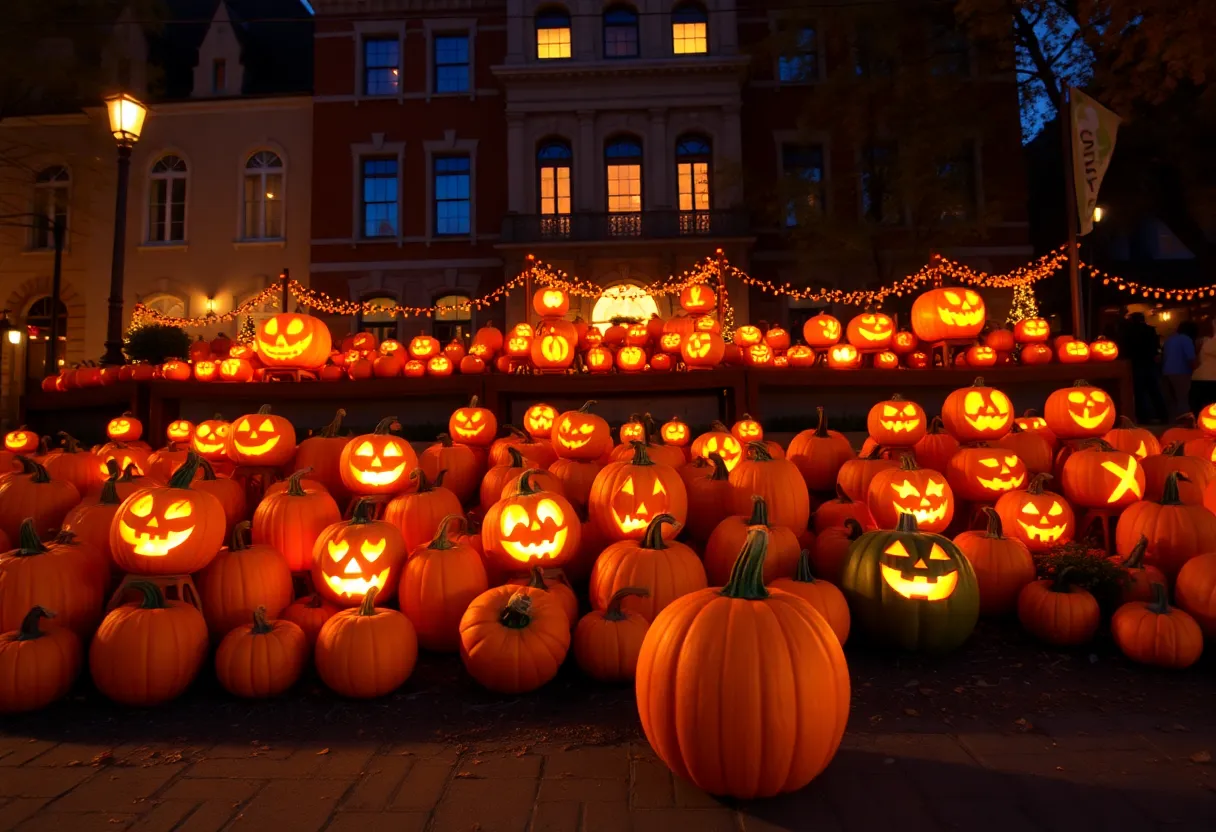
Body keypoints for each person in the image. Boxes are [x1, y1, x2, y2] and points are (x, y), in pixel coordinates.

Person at [1117, 312, 1167, 423]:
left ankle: (1143, 416)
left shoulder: (1128, 331)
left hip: (1135, 363)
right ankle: (1162, 415)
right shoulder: (1150, 330)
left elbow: (1125, 348)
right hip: (1149, 362)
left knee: (1139, 392)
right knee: (1155, 390)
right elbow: (1156, 347)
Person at [1162, 320, 1198, 419]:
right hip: (1182, 371)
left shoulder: (1170, 339)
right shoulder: (1186, 340)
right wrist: (1197, 369)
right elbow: (1191, 357)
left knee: (1172, 399)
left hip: (1167, 371)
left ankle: (1173, 419)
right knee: (1184, 397)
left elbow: (1164, 355)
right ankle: (1185, 419)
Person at [1190, 318, 1216, 416]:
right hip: (1211, 379)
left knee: (1200, 409)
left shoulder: (1205, 343)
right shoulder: (1209, 342)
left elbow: (1199, 360)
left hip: (1200, 378)